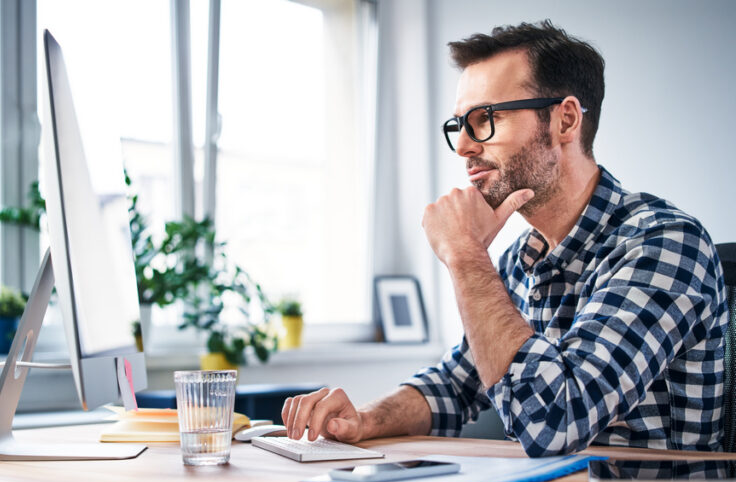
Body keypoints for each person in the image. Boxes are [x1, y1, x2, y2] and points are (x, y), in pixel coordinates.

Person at [281, 20, 728, 457]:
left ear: (565, 120)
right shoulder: (522, 259)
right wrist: (364, 418)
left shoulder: (663, 243)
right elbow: (454, 385)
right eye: (460, 124)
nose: (464, 147)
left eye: (486, 119)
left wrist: (463, 253)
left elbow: (556, 421)